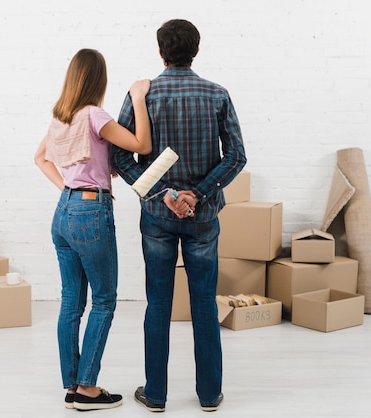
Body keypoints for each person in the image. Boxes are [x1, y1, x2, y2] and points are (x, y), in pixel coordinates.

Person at [110, 19, 247, 412]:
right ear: (196, 51)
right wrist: (196, 194)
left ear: (160, 52)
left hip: (157, 214)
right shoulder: (217, 94)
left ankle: (155, 395)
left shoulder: (143, 95)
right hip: (202, 216)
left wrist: (165, 193)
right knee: (204, 303)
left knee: (158, 303)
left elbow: (119, 156)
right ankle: (208, 395)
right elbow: (236, 156)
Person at [34, 48, 152, 411]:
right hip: (90, 212)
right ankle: (87, 389)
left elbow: (41, 158)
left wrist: (73, 186)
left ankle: (71, 385)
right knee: (103, 300)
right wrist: (138, 98)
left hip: (64, 211)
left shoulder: (61, 117)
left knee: (71, 301)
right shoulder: (95, 115)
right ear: (98, 80)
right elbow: (142, 145)